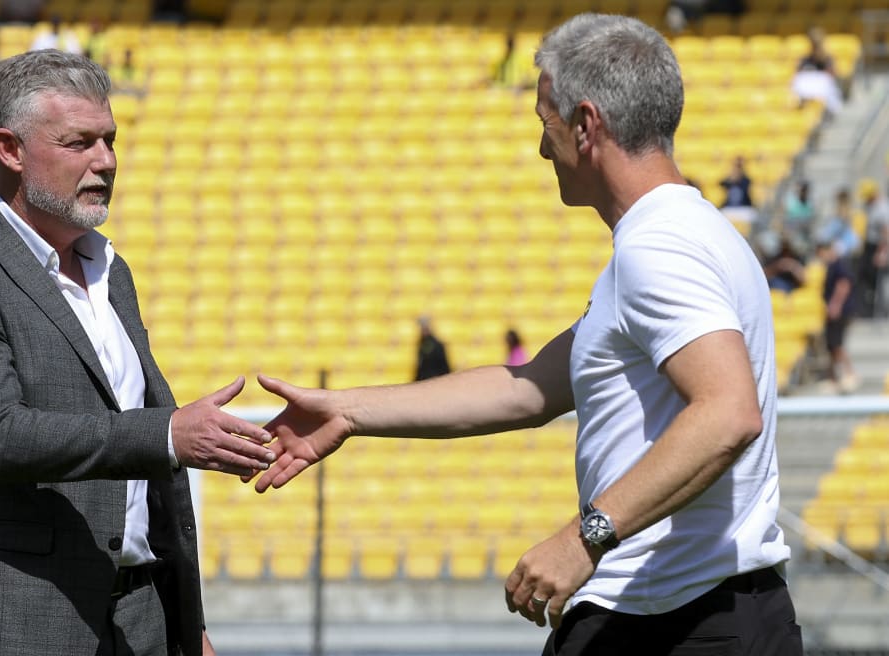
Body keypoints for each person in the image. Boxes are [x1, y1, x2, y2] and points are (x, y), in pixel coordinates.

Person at [248, 14, 801, 656]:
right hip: (701, 614)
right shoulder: (692, 235)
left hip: (673, 623)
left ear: (587, 126)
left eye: (547, 126)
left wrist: (585, 537)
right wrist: (347, 412)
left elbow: (729, 413)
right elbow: (530, 387)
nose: (543, 150)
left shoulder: (662, 247)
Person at [0, 49, 275, 656]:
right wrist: (168, 435)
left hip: (140, 619)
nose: (106, 161)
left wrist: (184, 619)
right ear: (10, 149)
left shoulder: (111, 271)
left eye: (110, 140)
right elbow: (0, 435)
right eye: (79, 143)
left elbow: (147, 494)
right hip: (11, 621)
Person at [815, 239, 859, 393]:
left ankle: (849, 374)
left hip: (839, 311)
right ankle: (833, 377)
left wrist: (835, 305)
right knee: (831, 345)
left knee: (837, 344)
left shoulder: (839, 265)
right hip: (834, 311)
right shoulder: (831, 266)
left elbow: (843, 285)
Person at [856, 178, 889, 318]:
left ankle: (881, 313)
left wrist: (882, 252)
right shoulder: (872, 207)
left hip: (878, 248)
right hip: (870, 247)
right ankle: (867, 310)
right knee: (865, 279)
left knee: (880, 281)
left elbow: (886, 232)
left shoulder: (882, 209)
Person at [413, 316, 451, 380]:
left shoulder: (437, 344)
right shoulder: (421, 344)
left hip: (434, 379)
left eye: (424, 327)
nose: (422, 330)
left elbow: (443, 366)